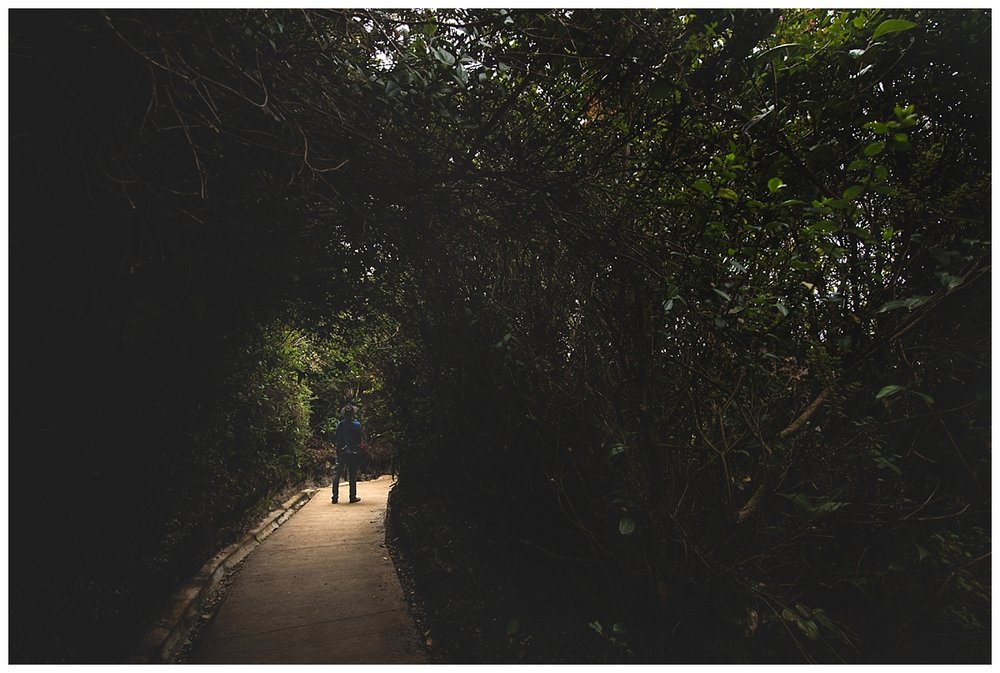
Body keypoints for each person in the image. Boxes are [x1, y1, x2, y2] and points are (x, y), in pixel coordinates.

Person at [331, 404, 363, 504]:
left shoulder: (340, 424)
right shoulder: (357, 424)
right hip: (353, 453)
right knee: (352, 475)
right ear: (353, 413)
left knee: (337, 474)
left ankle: (335, 497)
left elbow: (336, 438)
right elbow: (359, 439)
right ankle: (352, 496)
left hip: (341, 452)